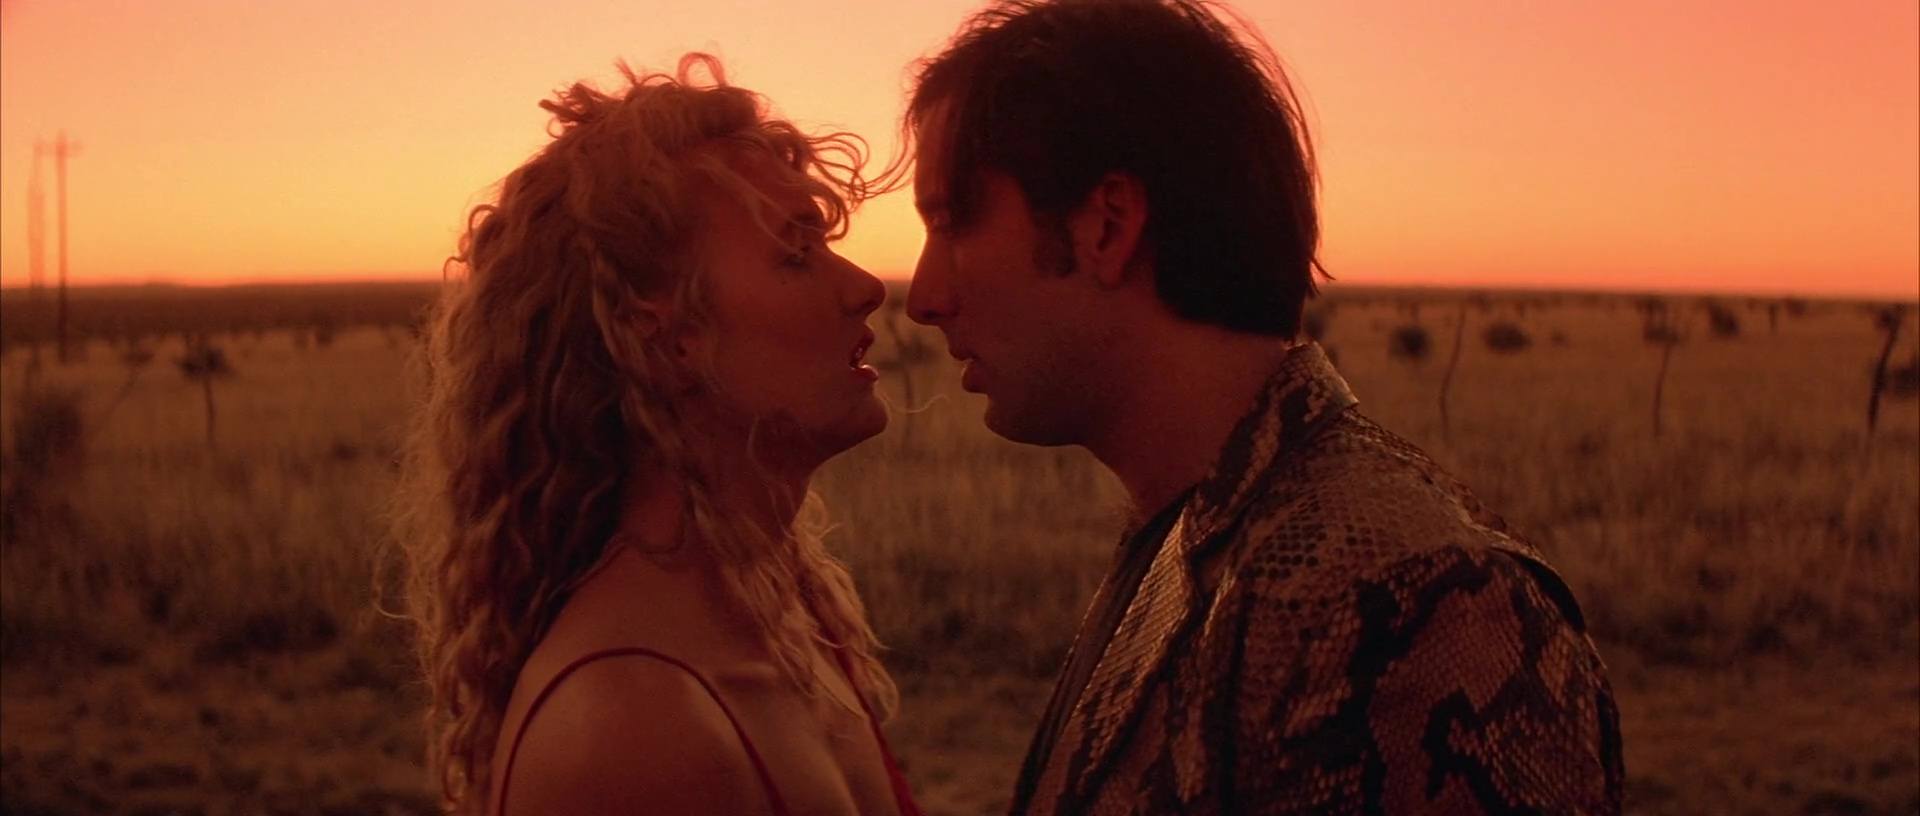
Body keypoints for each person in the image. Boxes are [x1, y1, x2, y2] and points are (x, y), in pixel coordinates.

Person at [896, 1, 1624, 813]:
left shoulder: (1415, 610)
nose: (924, 297)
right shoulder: (1196, 533)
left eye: (952, 222)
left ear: (1107, 227)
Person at [396, 54, 922, 816]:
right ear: (664, 334)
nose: (866, 287)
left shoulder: (781, 618)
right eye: (797, 253)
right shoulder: (633, 728)